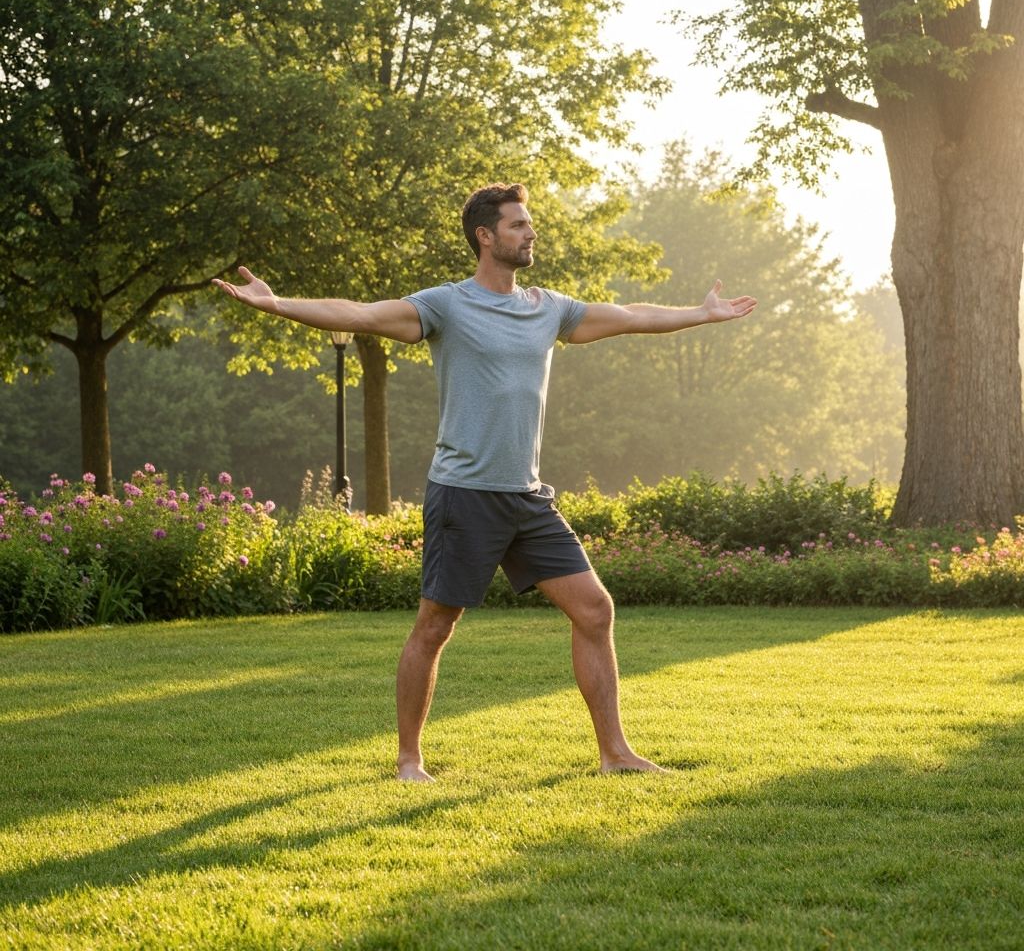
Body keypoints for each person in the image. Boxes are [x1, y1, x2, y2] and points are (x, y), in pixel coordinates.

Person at [214, 182, 756, 782]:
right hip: (464, 494)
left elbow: (628, 316)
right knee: (436, 625)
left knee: (595, 610)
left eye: (529, 225)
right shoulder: (446, 305)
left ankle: (615, 753)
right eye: (519, 225)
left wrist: (702, 314)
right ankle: (409, 760)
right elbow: (361, 315)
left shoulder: (548, 308)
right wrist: (277, 303)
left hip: (526, 496)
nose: (530, 234)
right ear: (486, 236)